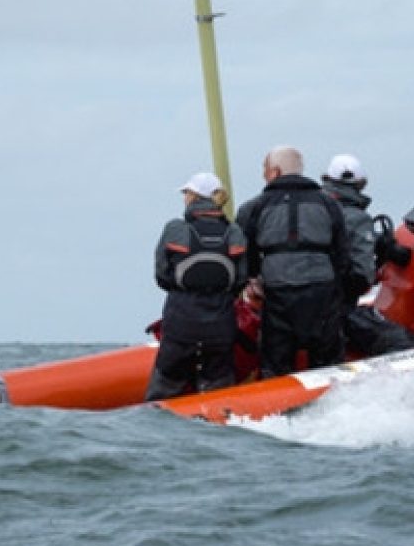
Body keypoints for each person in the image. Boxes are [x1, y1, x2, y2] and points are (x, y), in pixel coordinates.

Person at [234, 146, 351, 378]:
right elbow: (342, 255)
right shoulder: (329, 205)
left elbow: (245, 254)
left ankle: (280, 409)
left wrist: (253, 280)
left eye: (265, 169)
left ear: (275, 172)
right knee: (328, 366)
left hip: (278, 295)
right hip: (322, 294)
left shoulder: (254, 208)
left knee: (276, 367)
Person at [146, 172, 249, 401]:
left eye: (186, 193)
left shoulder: (175, 229)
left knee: (163, 391)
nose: (184, 198)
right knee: (219, 394)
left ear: (194, 196)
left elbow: (162, 275)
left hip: (181, 322)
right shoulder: (234, 232)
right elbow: (241, 278)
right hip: (220, 324)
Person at [321, 153, 414, 357]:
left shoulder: (313, 212)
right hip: (336, 311)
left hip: (300, 308)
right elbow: (361, 277)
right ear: (360, 185)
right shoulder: (357, 220)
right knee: (404, 345)